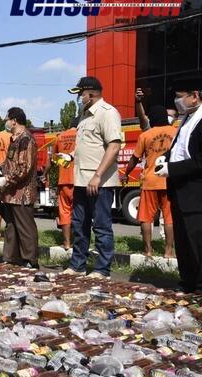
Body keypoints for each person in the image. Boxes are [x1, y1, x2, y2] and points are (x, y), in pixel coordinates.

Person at [63, 77, 122, 278]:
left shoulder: (108, 113)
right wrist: (69, 156)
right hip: (81, 180)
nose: (79, 98)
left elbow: (114, 146)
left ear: (90, 93)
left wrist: (97, 176)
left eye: (81, 94)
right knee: (80, 225)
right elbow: (87, 146)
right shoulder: (84, 116)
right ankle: (77, 265)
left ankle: (101, 269)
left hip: (100, 182)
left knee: (101, 226)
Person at [155, 75, 202, 293]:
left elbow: (199, 160)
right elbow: (179, 148)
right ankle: (188, 281)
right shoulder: (183, 120)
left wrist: (172, 169)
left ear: (195, 96)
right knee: (183, 240)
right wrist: (165, 157)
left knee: (197, 240)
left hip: (196, 191)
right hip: (179, 189)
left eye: (180, 97)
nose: (176, 102)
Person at [122, 105, 176, 258]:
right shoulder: (175, 132)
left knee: (146, 217)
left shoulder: (145, 135)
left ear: (152, 118)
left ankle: (148, 251)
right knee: (169, 218)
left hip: (150, 181)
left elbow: (134, 159)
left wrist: (126, 174)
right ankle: (168, 252)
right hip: (169, 180)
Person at [0, 107, 39, 268]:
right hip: (10, 191)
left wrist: (7, 179)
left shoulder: (26, 139)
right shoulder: (14, 139)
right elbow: (11, 163)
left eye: (7, 119)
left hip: (22, 192)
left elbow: (25, 168)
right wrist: (0, 172)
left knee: (25, 226)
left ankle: (30, 259)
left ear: (14, 120)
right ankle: (11, 258)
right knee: (11, 226)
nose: (6, 122)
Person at [43, 117, 79, 251]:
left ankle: (67, 243)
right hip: (79, 181)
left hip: (64, 181)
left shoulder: (60, 137)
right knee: (79, 212)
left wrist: (45, 174)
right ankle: (79, 242)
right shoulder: (81, 135)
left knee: (65, 212)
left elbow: (53, 160)